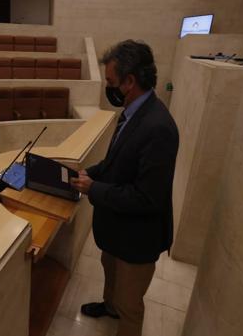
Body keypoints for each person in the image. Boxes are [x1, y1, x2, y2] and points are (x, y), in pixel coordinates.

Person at [69, 40, 179, 336]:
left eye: (111, 82)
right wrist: (87, 174)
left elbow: (147, 198)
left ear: (130, 81)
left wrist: (93, 188)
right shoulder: (132, 111)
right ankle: (109, 306)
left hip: (137, 238)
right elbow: (115, 161)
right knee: (110, 274)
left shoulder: (159, 128)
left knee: (130, 305)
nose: (109, 88)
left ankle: (120, 312)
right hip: (116, 228)